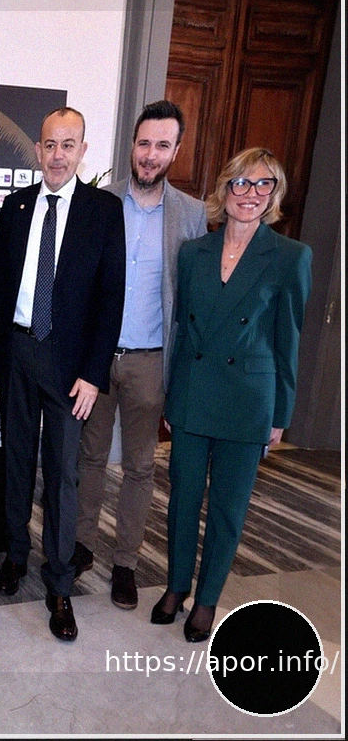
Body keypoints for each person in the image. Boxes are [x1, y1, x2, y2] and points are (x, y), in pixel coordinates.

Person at [154, 147, 311, 643]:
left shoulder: (290, 257)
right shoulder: (193, 252)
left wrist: (280, 414)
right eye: (242, 183)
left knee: (227, 507)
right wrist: (172, 397)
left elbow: (288, 341)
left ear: (274, 194)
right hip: (193, 393)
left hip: (248, 401)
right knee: (182, 496)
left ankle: (206, 599)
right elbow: (182, 332)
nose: (251, 194)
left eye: (263, 184)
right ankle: (177, 586)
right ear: (225, 190)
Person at [0, 107, 125, 641]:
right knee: (16, 463)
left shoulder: (103, 210)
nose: (58, 155)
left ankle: (60, 583)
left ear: (82, 151)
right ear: (38, 150)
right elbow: (0, 289)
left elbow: (111, 298)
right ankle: (15, 555)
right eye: (49, 144)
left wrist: (93, 373)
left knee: (63, 475)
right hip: (19, 352)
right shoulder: (17, 205)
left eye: (69, 145)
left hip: (71, 369)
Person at [74, 100, 206, 610]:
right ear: (132, 145)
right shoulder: (100, 202)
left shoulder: (191, 215)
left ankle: (125, 563)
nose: (150, 155)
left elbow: (193, 302)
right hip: (97, 357)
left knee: (139, 467)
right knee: (89, 456)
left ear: (176, 151)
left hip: (151, 360)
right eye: (144, 143)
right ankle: (81, 545)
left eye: (162, 146)